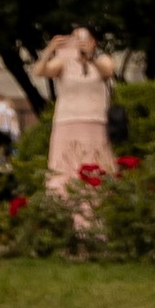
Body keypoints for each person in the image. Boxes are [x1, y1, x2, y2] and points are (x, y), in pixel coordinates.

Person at [39, 28, 116, 213]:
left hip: (95, 122)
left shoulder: (102, 59)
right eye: (75, 38)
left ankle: (95, 215)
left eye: (84, 38)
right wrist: (49, 50)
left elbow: (107, 72)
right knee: (64, 167)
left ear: (93, 42)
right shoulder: (63, 62)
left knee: (96, 166)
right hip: (67, 122)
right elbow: (40, 71)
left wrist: (90, 58)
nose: (79, 42)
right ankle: (63, 212)